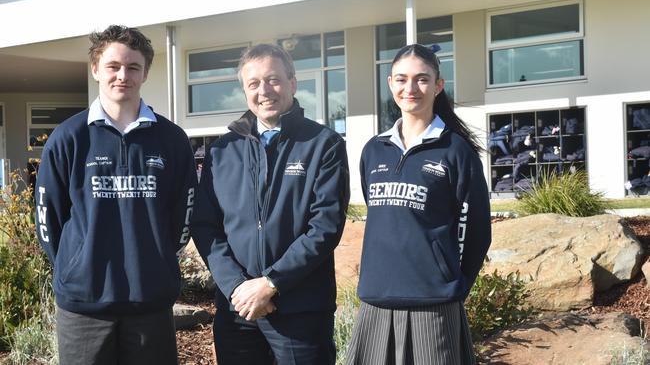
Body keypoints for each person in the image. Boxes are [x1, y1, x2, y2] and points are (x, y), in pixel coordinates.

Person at [35, 25, 197, 365]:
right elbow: (48, 218)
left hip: (150, 304)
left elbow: (183, 215)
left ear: (145, 73)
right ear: (96, 70)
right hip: (84, 309)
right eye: (113, 66)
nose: (123, 75)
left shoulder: (172, 140)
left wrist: (156, 262)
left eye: (133, 67)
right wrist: (77, 267)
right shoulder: (68, 138)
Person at [192, 43, 350, 365]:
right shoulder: (222, 151)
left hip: (301, 311)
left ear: (292, 82)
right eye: (253, 83)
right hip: (237, 311)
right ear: (244, 90)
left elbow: (325, 227)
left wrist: (271, 283)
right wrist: (238, 288)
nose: (264, 91)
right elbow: (205, 225)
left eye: (273, 79)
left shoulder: (324, 146)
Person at [345, 43, 491, 365]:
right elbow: (384, 217)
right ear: (390, 84)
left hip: (433, 305)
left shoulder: (456, 151)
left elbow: (477, 231)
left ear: (438, 86)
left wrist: (452, 286)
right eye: (401, 79)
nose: (410, 88)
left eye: (422, 79)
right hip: (376, 301)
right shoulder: (373, 150)